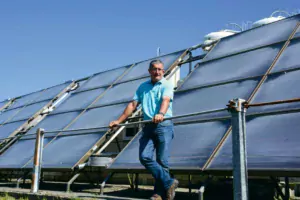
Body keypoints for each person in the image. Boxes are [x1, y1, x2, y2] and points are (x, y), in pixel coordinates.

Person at [109, 59, 178, 200]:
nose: (157, 72)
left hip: (163, 125)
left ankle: (159, 194)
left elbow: (165, 100)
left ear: (163, 71)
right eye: (154, 69)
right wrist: (118, 121)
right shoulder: (142, 87)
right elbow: (132, 104)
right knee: (144, 157)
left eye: (160, 69)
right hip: (148, 126)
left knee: (162, 161)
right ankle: (169, 182)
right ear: (149, 71)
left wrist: (161, 114)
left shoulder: (167, 84)